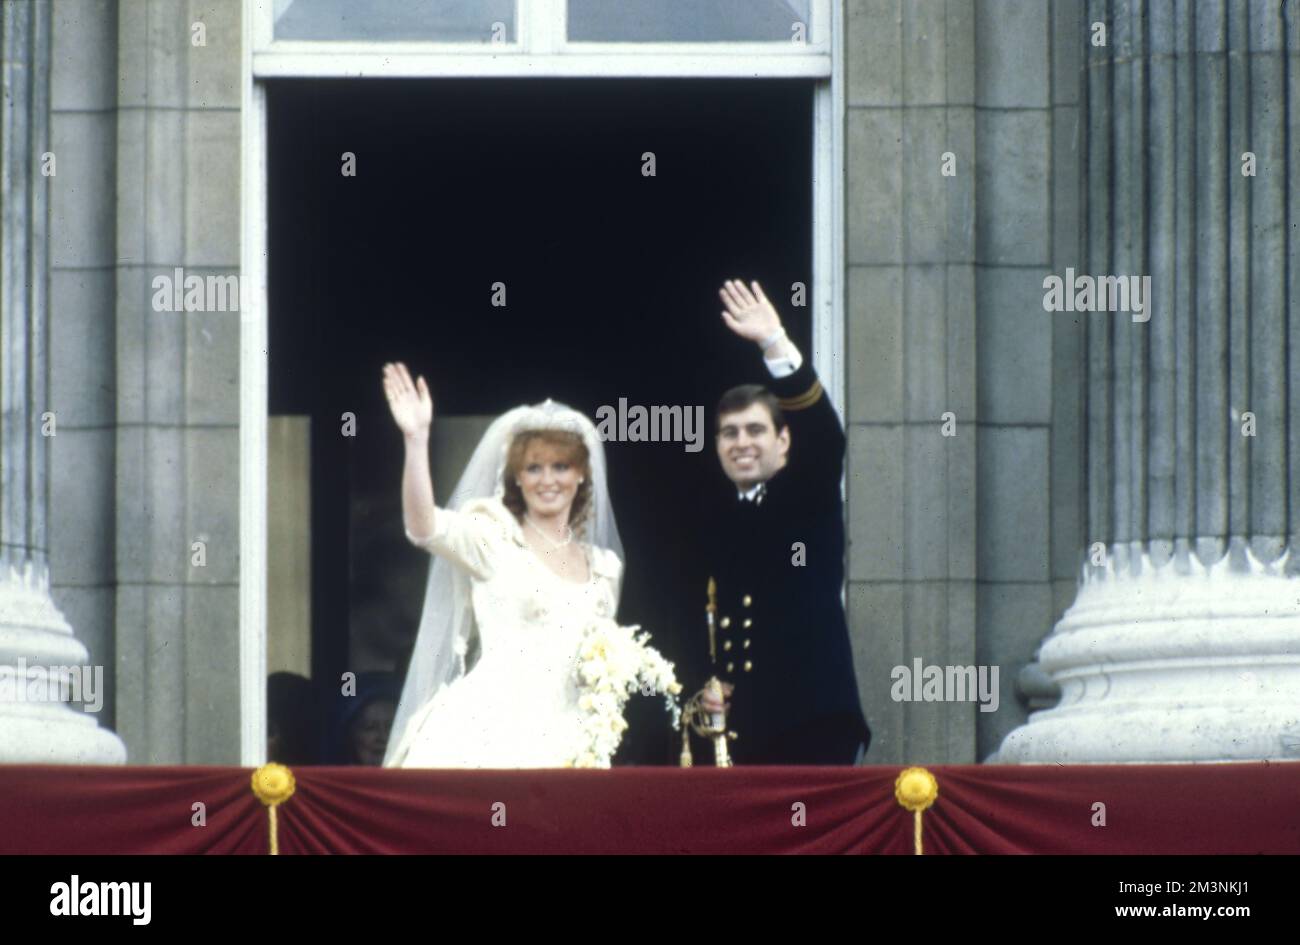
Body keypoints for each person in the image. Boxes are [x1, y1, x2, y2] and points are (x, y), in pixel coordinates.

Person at [378, 362, 675, 768]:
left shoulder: (605, 568)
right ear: (516, 477)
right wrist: (415, 440)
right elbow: (423, 527)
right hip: (488, 732)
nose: (547, 480)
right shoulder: (493, 537)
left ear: (582, 475)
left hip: (574, 740)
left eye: (561, 467)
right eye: (533, 468)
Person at [690, 279, 870, 765]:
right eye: (729, 433)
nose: (741, 442)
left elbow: (827, 439)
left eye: (755, 430)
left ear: (784, 442)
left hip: (811, 722)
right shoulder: (717, 518)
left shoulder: (805, 494)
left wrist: (775, 344)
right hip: (745, 731)